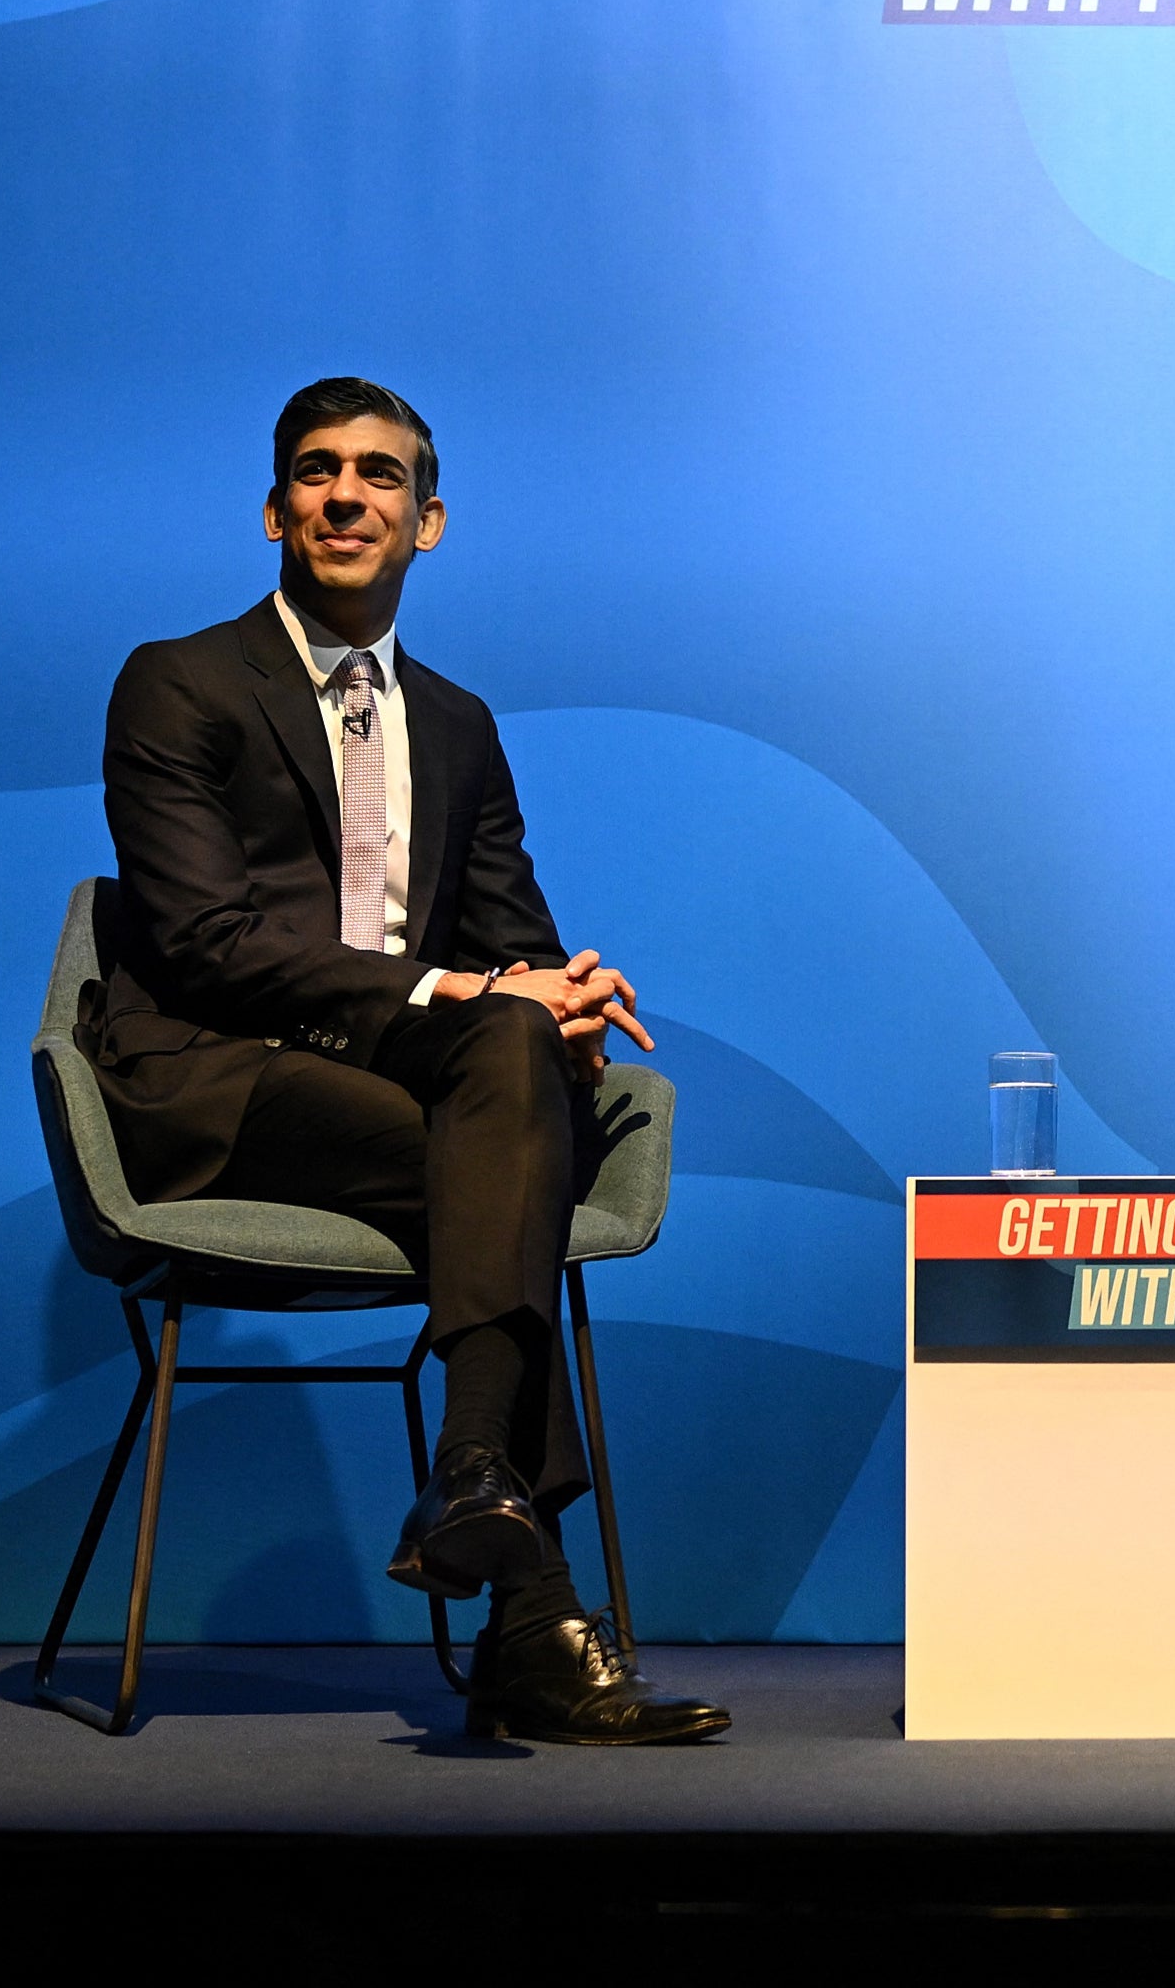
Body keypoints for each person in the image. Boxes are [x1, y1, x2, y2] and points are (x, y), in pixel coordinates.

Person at [86, 376, 728, 1746]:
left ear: (426, 523)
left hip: (404, 1088)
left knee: (519, 1066)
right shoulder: (178, 683)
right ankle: (528, 1597)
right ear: (274, 511)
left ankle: (481, 1492)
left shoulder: (458, 721)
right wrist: (467, 988)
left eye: (379, 476)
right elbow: (205, 945)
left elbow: (514, 941)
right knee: (509, 1163)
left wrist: (559, 990)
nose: (344, 495)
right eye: (316, 472)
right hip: (216, 1079)